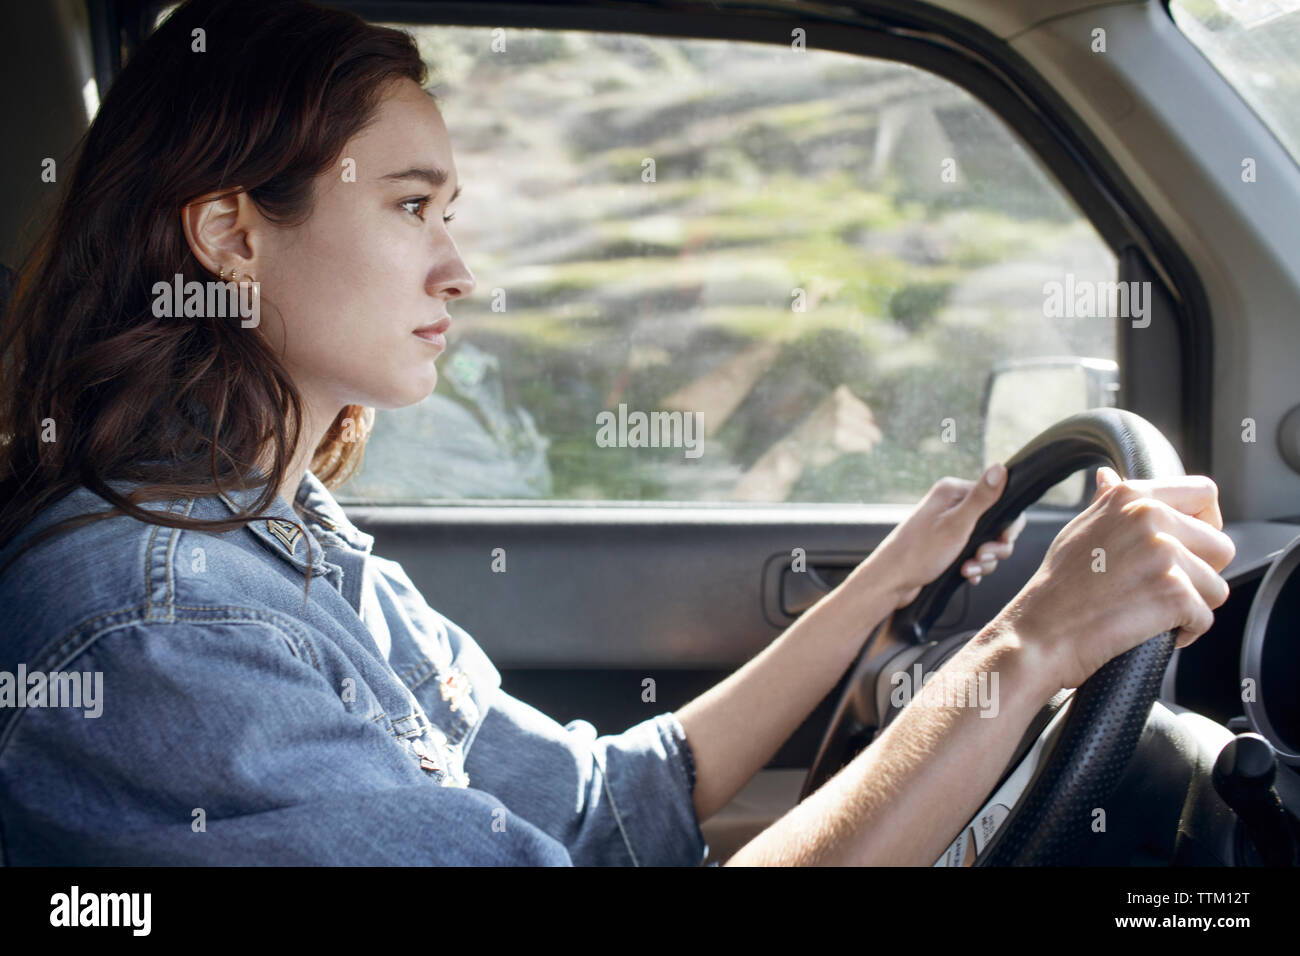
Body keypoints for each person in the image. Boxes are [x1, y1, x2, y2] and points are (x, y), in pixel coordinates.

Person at [0, 0, 1234, 866]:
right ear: (229, 235)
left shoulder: (281, 539)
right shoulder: (162, 627)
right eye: (410, 205)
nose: (459, 270)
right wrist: (1022, 650)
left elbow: (611, 810)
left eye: (452, 210)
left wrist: (886, 583)